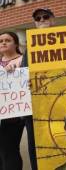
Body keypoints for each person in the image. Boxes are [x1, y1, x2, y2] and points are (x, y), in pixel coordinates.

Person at [21, 7, 56, 170]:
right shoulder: (29, 49)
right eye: (38, 18)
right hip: (36, 106)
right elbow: (24, 75)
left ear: (53, 20)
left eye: (45, 17)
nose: (42, 20)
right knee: (35, 145)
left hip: (59, 101)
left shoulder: (65, 41)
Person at [0, 32, 24, 170]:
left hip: (13, 115)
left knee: (10, 150)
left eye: (7, 40)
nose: (3, 43)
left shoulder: (23, 60)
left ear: (15, 44)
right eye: (1, 41)